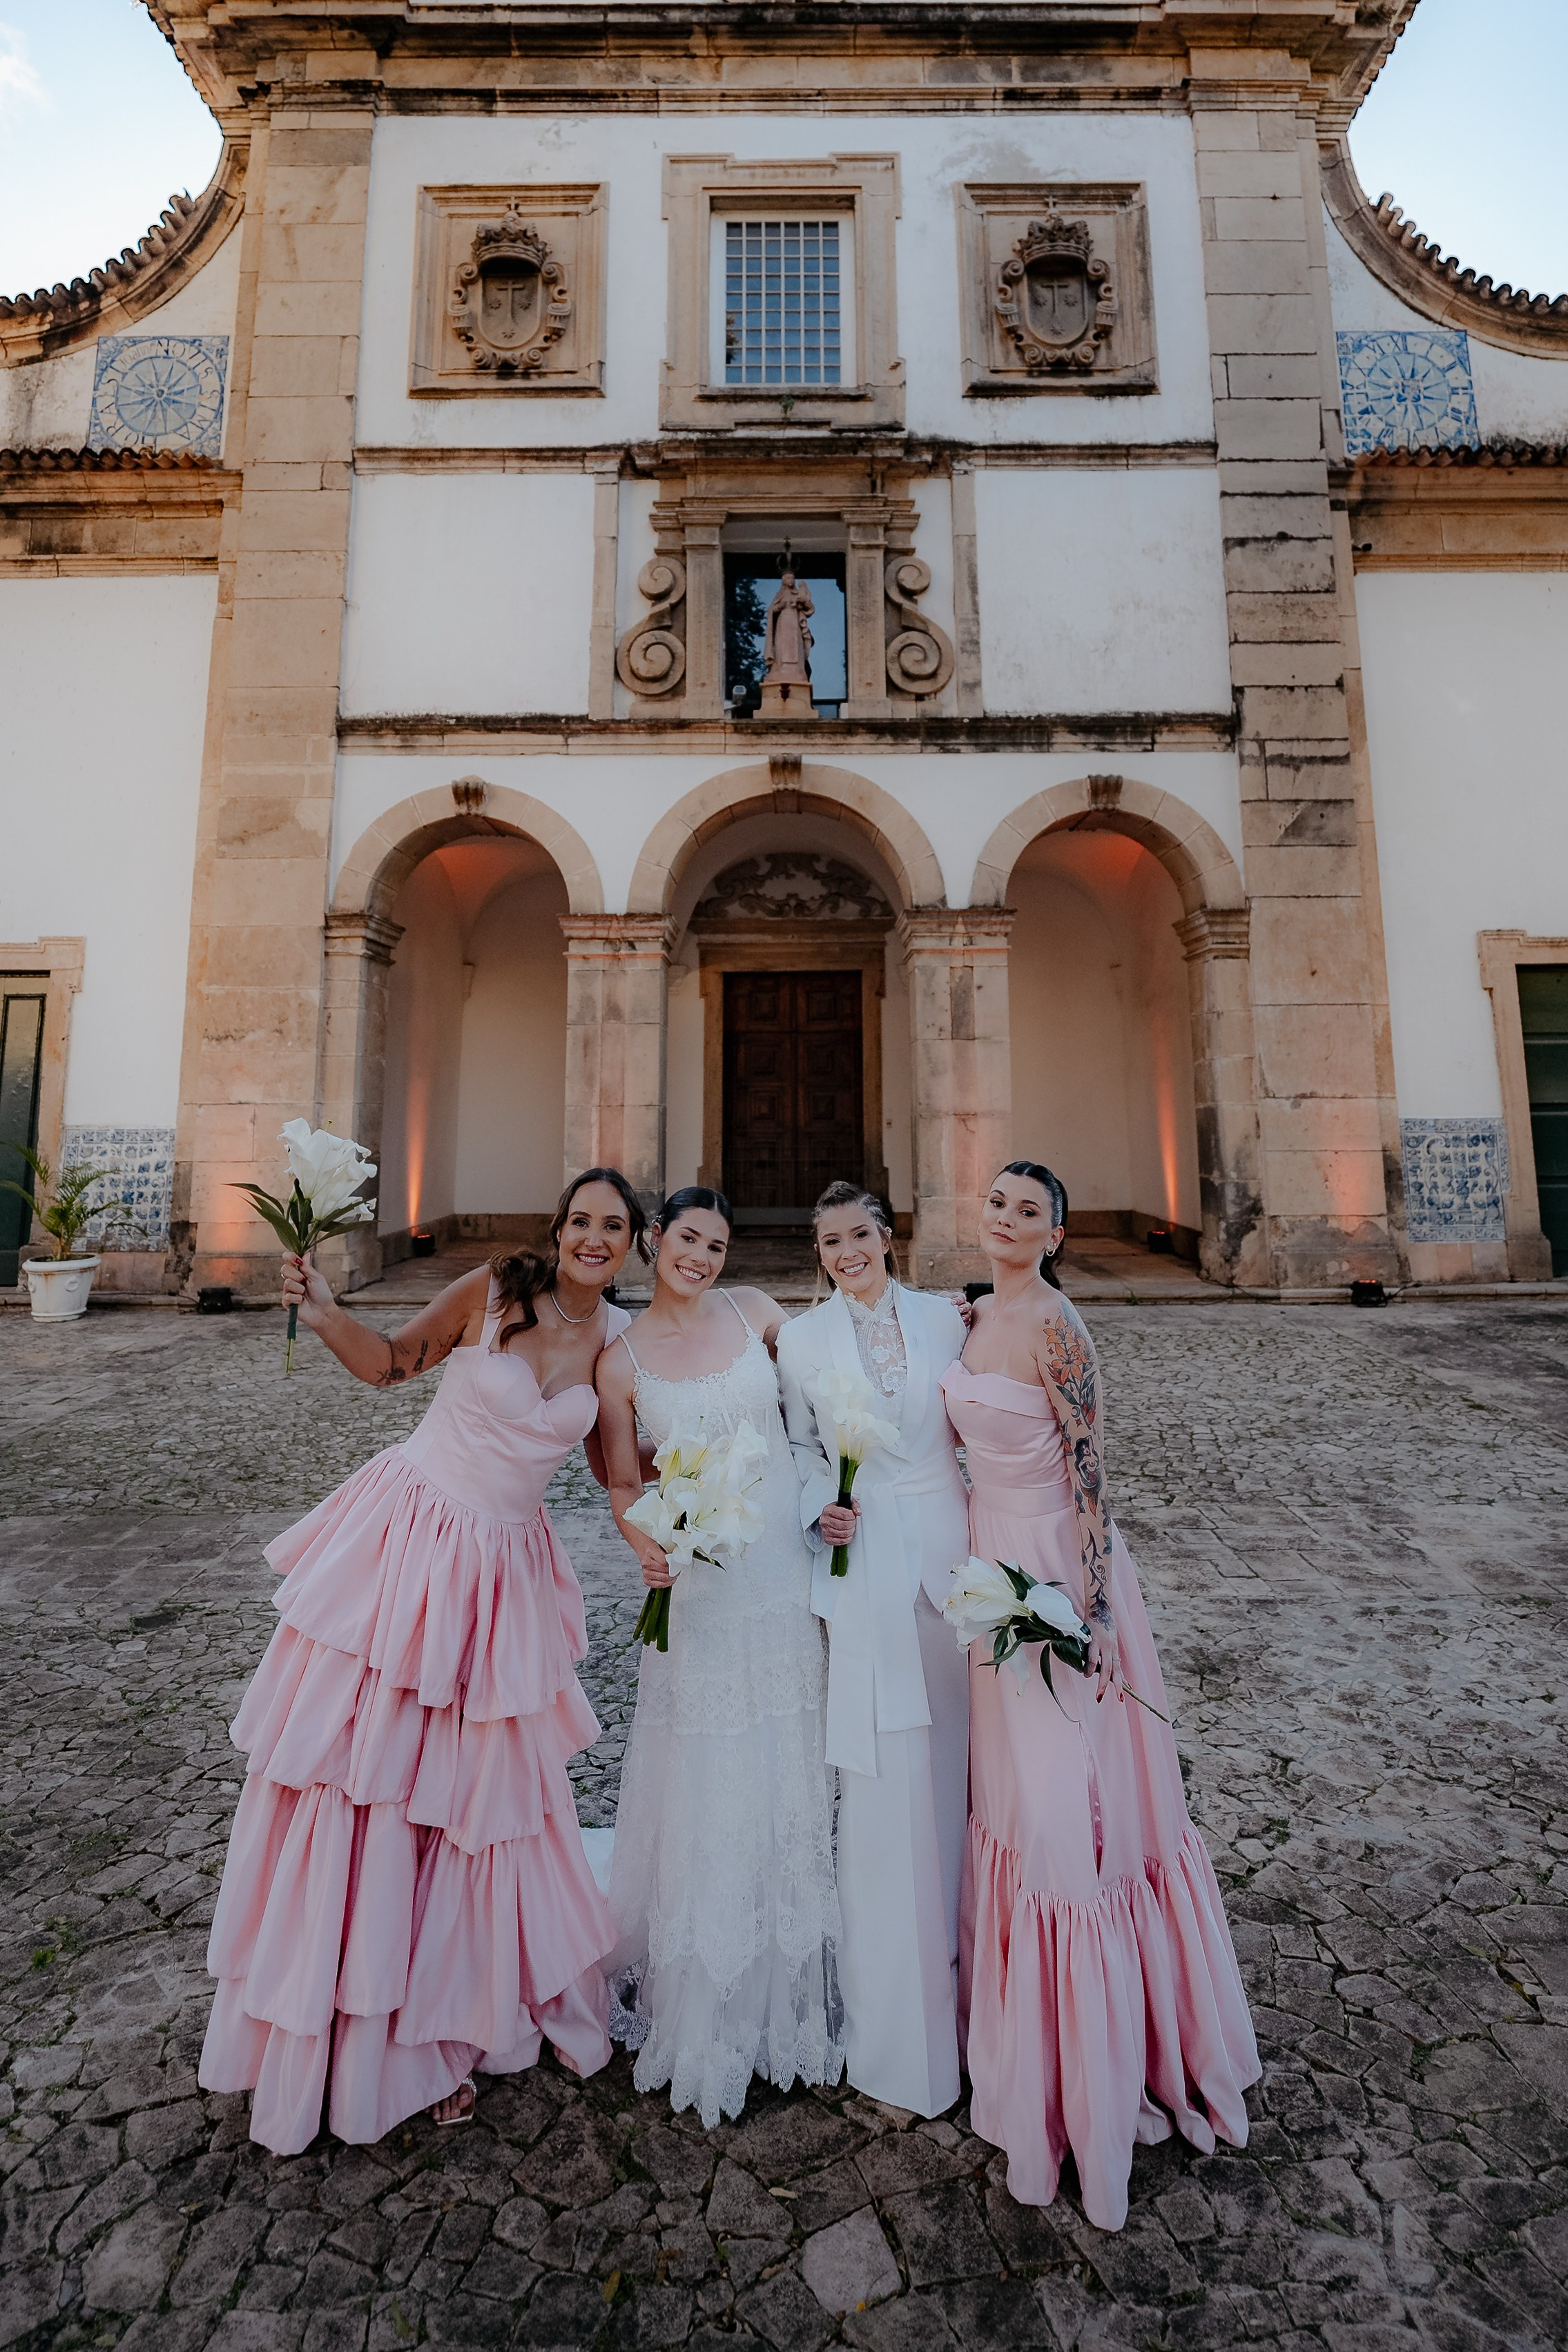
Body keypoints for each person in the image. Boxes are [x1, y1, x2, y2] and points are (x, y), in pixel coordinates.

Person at [198, 1168, 649, 2155]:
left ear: (632, 1243)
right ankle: (348, 2015)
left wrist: (675, 1542)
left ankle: (443, 2017)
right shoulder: (495, 1288)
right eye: (580, 1219)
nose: (592, 1238)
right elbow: (394, 1362)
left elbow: (624, 1473)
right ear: (558, 1225)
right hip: (410, 1543)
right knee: (364, 1778)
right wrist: (322, 1312)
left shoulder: (619, 1345)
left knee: (473, 1803)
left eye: (614, 1226)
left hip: (502, 1581)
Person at [941, 1161, 1260, 2231]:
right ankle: (1023, 2037)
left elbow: (1091, 1472)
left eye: (1029, 1210)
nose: (1007, 1219)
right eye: (996, 1203)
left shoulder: (1060, 1327)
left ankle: (1094, 2063)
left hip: (1052, 1579)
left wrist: (1092, 1617)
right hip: (988, 1564)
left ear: (1060, 1231)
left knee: (1066, 1805)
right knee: (1016, 1802)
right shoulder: (972, 1313)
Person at [596, 1186, 844, 2128]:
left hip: (778, 1567)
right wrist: (642, 1541)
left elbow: (837, 1374)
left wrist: (951, 1319)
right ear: (655, 1240)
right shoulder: (619, 1362)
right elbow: (624, 1476)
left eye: (718, 1243)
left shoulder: (762, 1313)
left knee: (787, 1756)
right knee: (708, 1767)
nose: (701, 1255)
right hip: (698, 1587)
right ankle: (710, 2004)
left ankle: (791, 1997)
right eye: (688, 1238)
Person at [776, 1183, 971, 2119]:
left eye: (859, 1233)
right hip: (864, 1578)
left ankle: (982, 2007)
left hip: (955, 1576)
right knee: (886, 1801)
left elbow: (988, 1422)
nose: (845, 1250)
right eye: (829, 1240)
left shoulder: (946, 1320)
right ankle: (898, 2044)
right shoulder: (802, 1343)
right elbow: (801, 1448)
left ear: (889, 1238)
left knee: (964, 1785)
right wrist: (821, 1505)